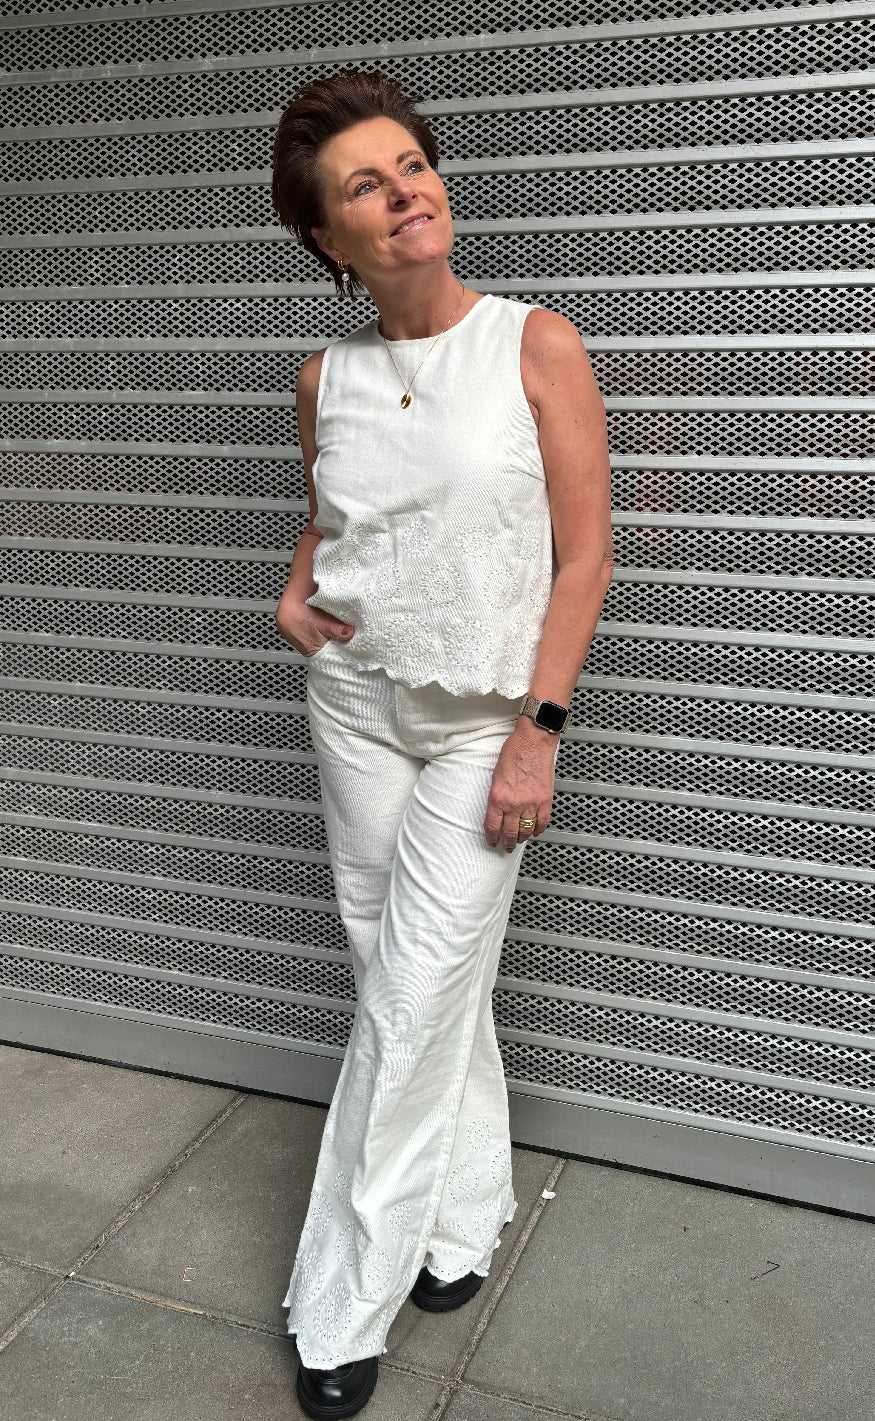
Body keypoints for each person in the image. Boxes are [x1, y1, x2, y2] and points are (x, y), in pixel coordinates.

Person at [270, 67, 613, 1420]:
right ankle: (462, 1224)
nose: (407, 192)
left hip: (486, 720)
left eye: (412, 163)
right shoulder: (327, 377)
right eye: (368, 184)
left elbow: (583, 557)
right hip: (356, 707)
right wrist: (296, 594)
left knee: (411, 999)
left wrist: (539, 734)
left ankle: (339, 1298)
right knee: (402, 979)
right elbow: (337, 517)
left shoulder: (535, 344)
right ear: (329, 238)